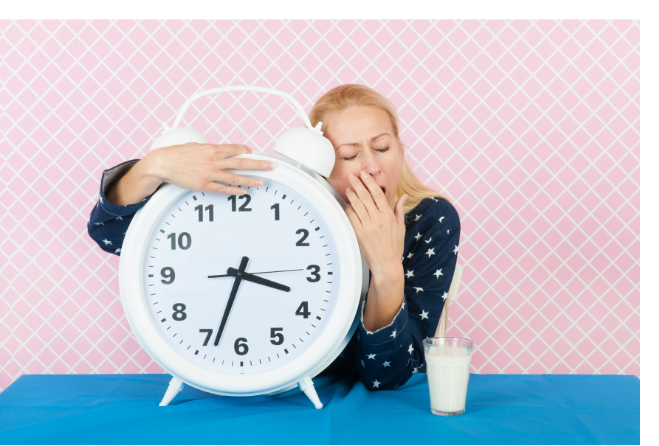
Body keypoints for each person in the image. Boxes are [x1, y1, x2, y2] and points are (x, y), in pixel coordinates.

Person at [88, 84, 460, 391]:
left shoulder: (430, 219)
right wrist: (153, 166)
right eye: (349, 155)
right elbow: (109, 235)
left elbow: (388, 375)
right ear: (324, 166)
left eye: (382, 147)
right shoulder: (288, 204)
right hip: (276, 391)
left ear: (400, 148)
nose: (372, 166)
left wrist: (386, 268)